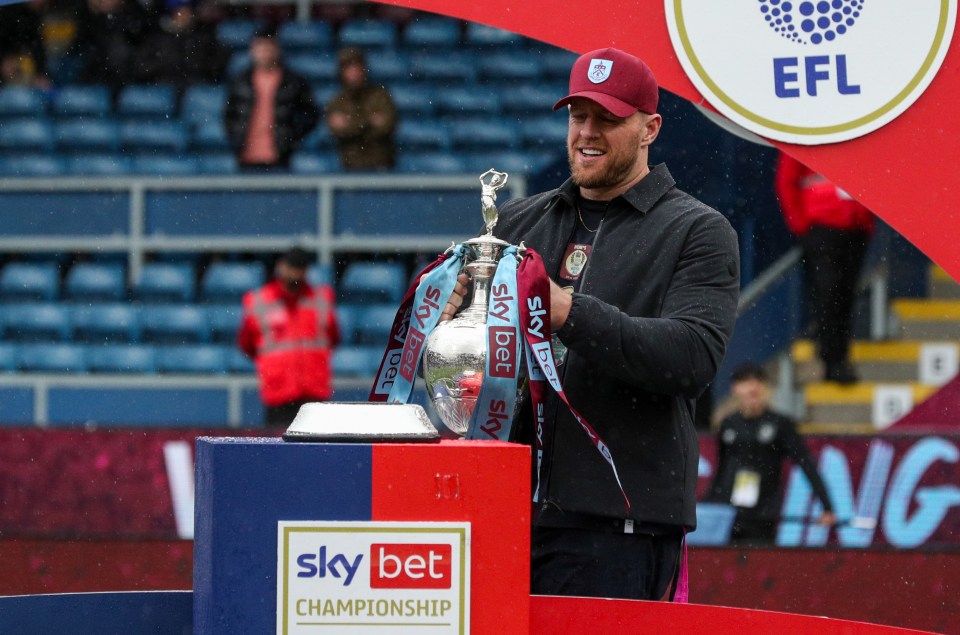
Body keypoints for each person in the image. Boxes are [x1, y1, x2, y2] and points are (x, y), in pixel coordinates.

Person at [442, 48, 740, 601]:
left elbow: (692, 358)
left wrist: (567, 311)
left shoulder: (698, 230)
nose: (588, 132)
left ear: (650, 128)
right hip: (503, 515)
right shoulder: (516, 222)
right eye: (579, 116)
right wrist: (451, 317)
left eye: (608, 118)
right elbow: (481, 362)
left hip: (618, 529)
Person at [705, 362, 836, 545]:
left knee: (758, 568)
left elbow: (806, 464)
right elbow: (721, 469)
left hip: (763, 515)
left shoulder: (780, 424)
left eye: (757, 382)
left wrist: (827, 506)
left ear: (766, 389)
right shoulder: (729, 424)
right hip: (730, 513)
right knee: (725, 569)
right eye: (746, 382)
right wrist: (708, 504)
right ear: (735, 389)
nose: (752, 388)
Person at [775, 151, 873, 384]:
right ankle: (832, 358)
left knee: (845, 294)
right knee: (829, 293)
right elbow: (786, 182)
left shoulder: (856, 135)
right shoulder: (808, 134)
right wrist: (801, 225)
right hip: (822, 227)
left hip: (855, 226)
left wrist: (866, 220)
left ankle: (838, 357)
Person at [237, 247, 340, 428]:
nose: (296, 272)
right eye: (292, 266)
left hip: (314, 394)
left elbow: (333, 338)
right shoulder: (259, 300)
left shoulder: (321, 298)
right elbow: (246, 343)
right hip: (279, 394)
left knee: (317, 453)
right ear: (280, 266)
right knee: (279, 451)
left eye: (300, 267)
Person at [224, 28, 319, 170]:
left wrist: (290, 139)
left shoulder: (293, 82)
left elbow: (310, 114)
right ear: (252, 50)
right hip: (246, 157)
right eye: (260, 47)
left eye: (268, 47)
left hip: (280, 157)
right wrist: (236, 138)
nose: (264, 52)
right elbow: (229, 114)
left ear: (277, 49)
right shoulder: (240, 81)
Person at [325, 47, 397, 171]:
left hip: (381, 166)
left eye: (356, 67)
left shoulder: (380, 96)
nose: (353, 73)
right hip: (350, 167)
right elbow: (336, 130)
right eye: (348, 68)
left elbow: (387, 125)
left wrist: (350, 123)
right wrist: (370, 122)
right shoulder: (337, 101)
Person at [132, 0, 228, 91]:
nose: (184, 16)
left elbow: (218, 65)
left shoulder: (203, 37)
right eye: (179, 12)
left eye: (187, 12)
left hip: (196, 88)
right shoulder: (159, 39)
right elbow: (141, 67)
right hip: (164, 87)